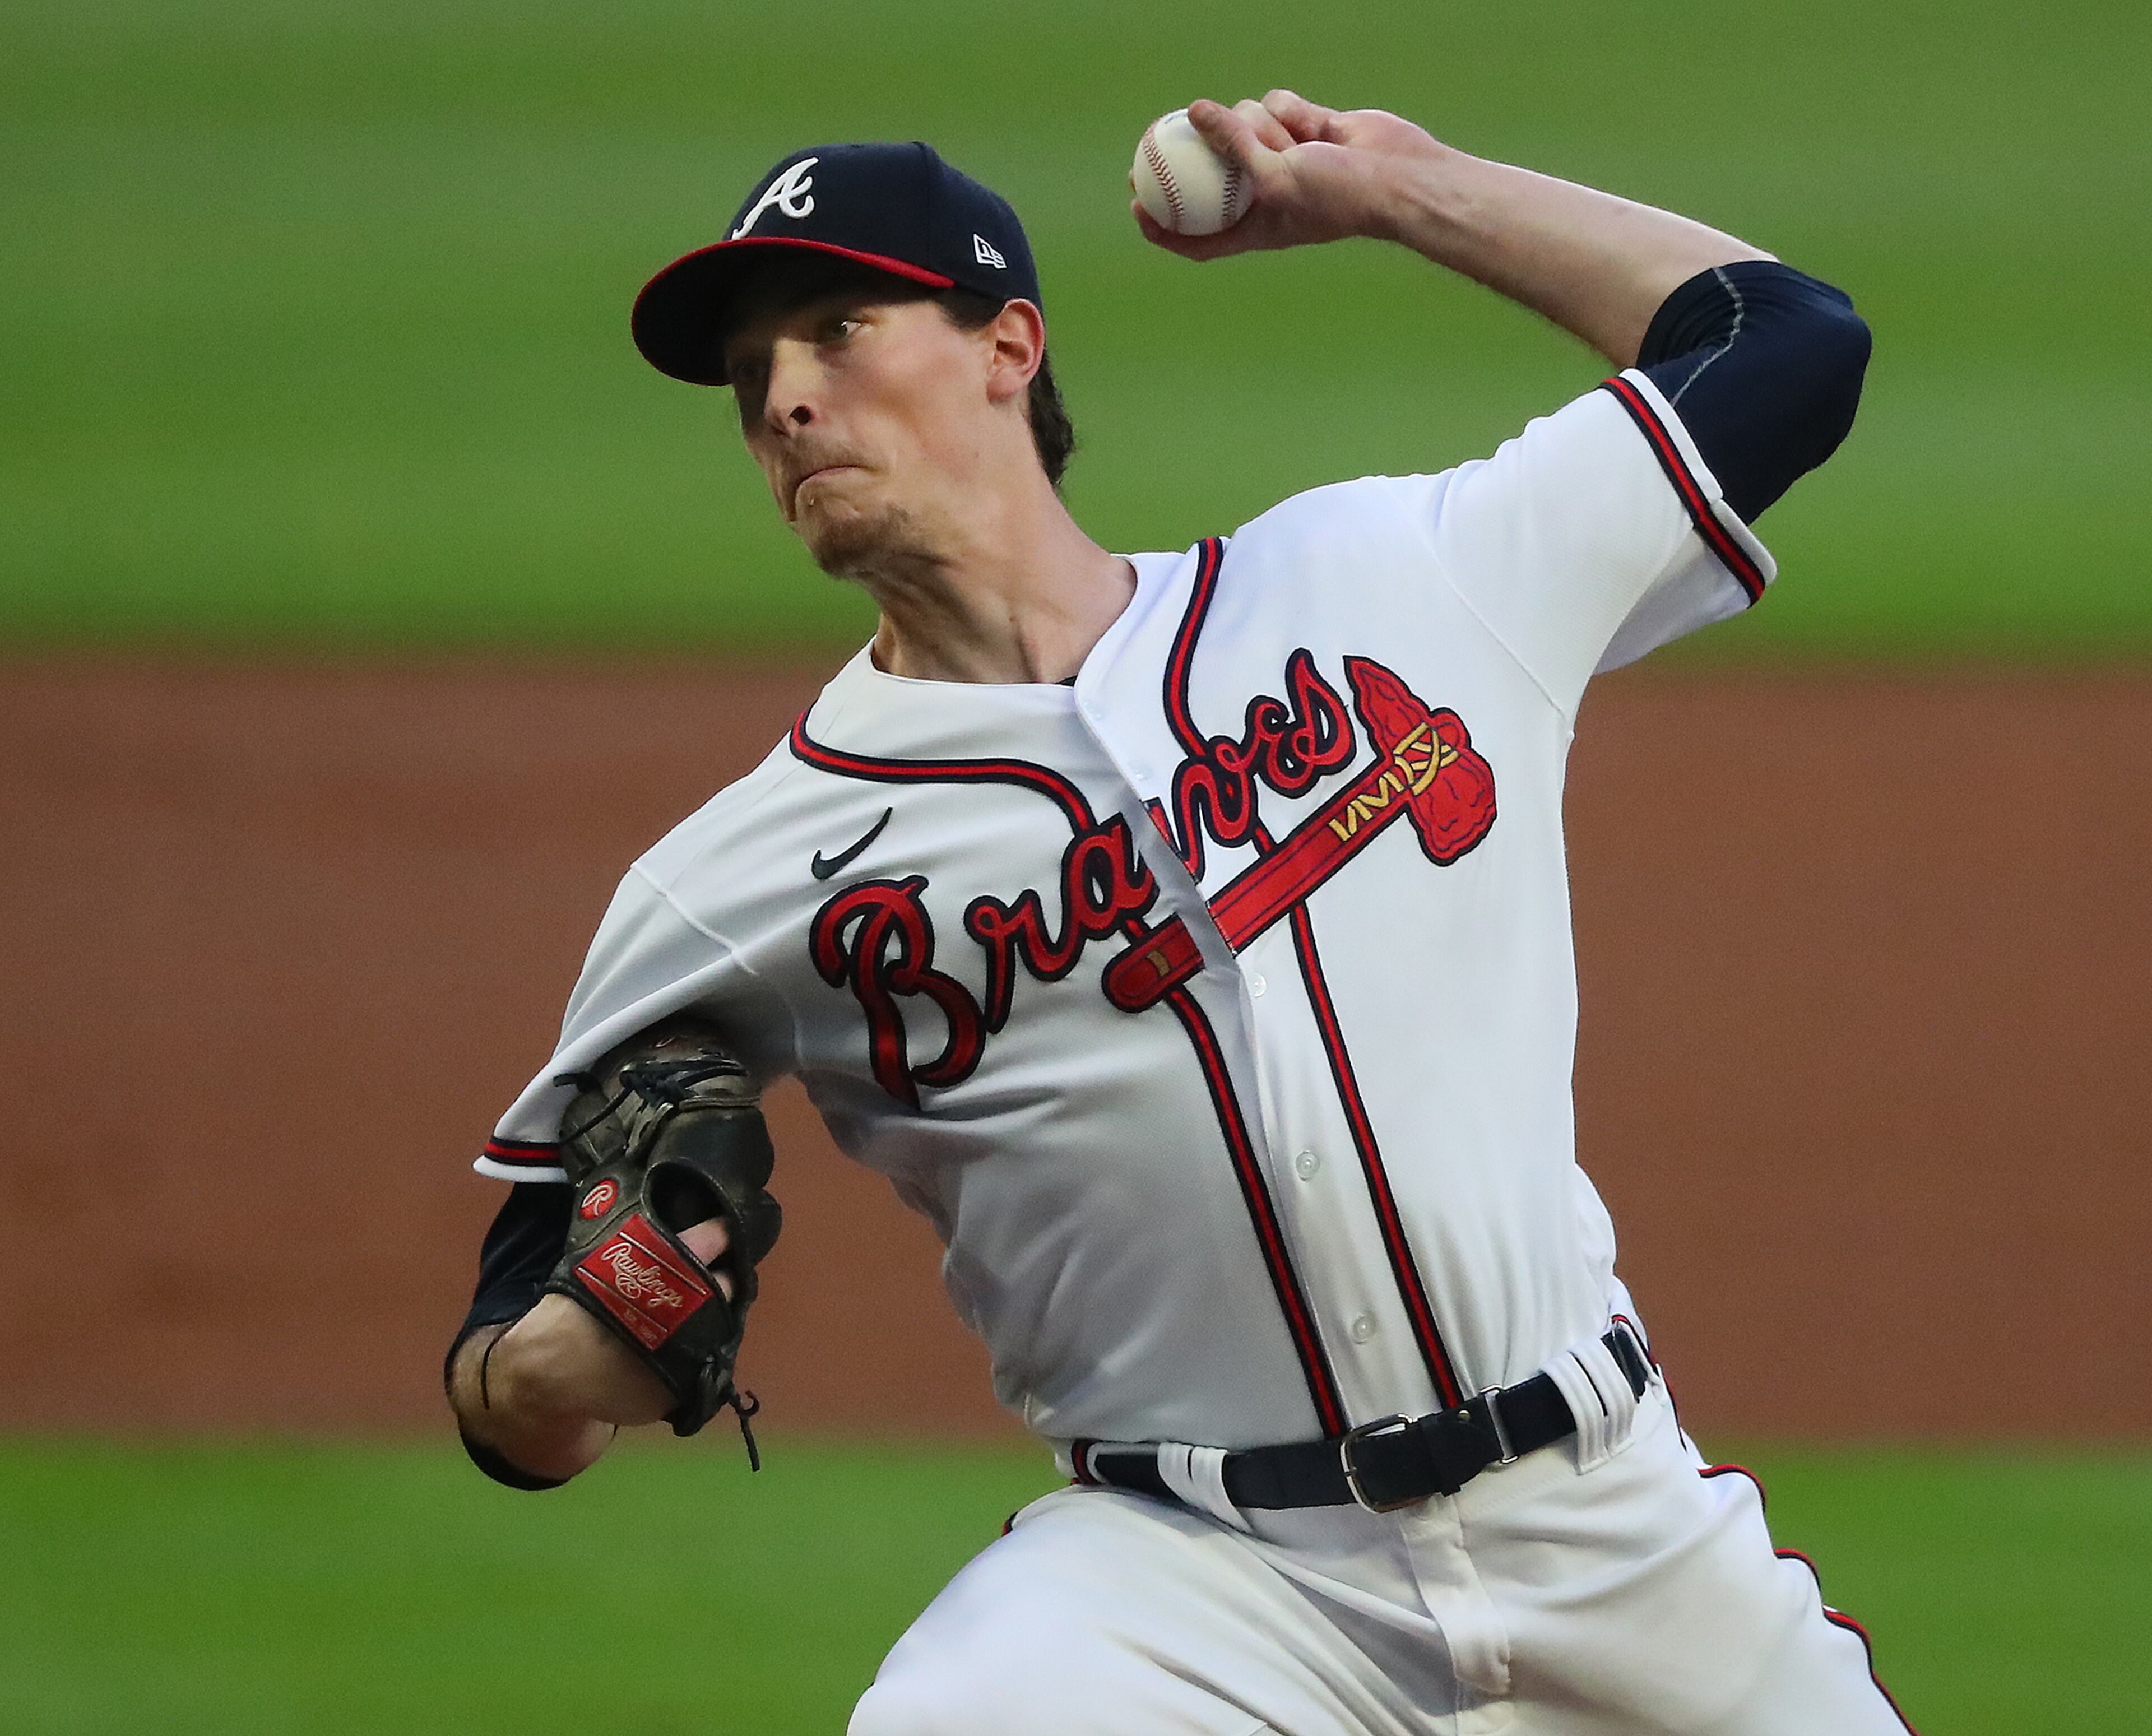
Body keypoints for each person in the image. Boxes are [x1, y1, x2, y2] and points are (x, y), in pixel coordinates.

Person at [445, 91, 1901, 1733]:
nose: (784, 396)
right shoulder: (737, 880)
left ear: (1009, 345)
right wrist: (572, 1360)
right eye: (750, 375)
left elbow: (1785, 341)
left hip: (1611, 1528)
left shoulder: (1398, 580)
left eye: (839, 329)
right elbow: (509, 1363)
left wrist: (1407, 194)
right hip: (1197, 1583)